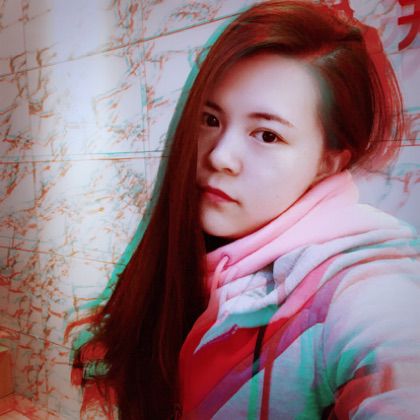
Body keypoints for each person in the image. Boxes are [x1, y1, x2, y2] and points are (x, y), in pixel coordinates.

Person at [69, 1, 420, 419]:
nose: (220, 156)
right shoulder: (198, 255)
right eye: (210, 119)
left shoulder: (361, 287)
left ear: (328, 162)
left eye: (267, 135)